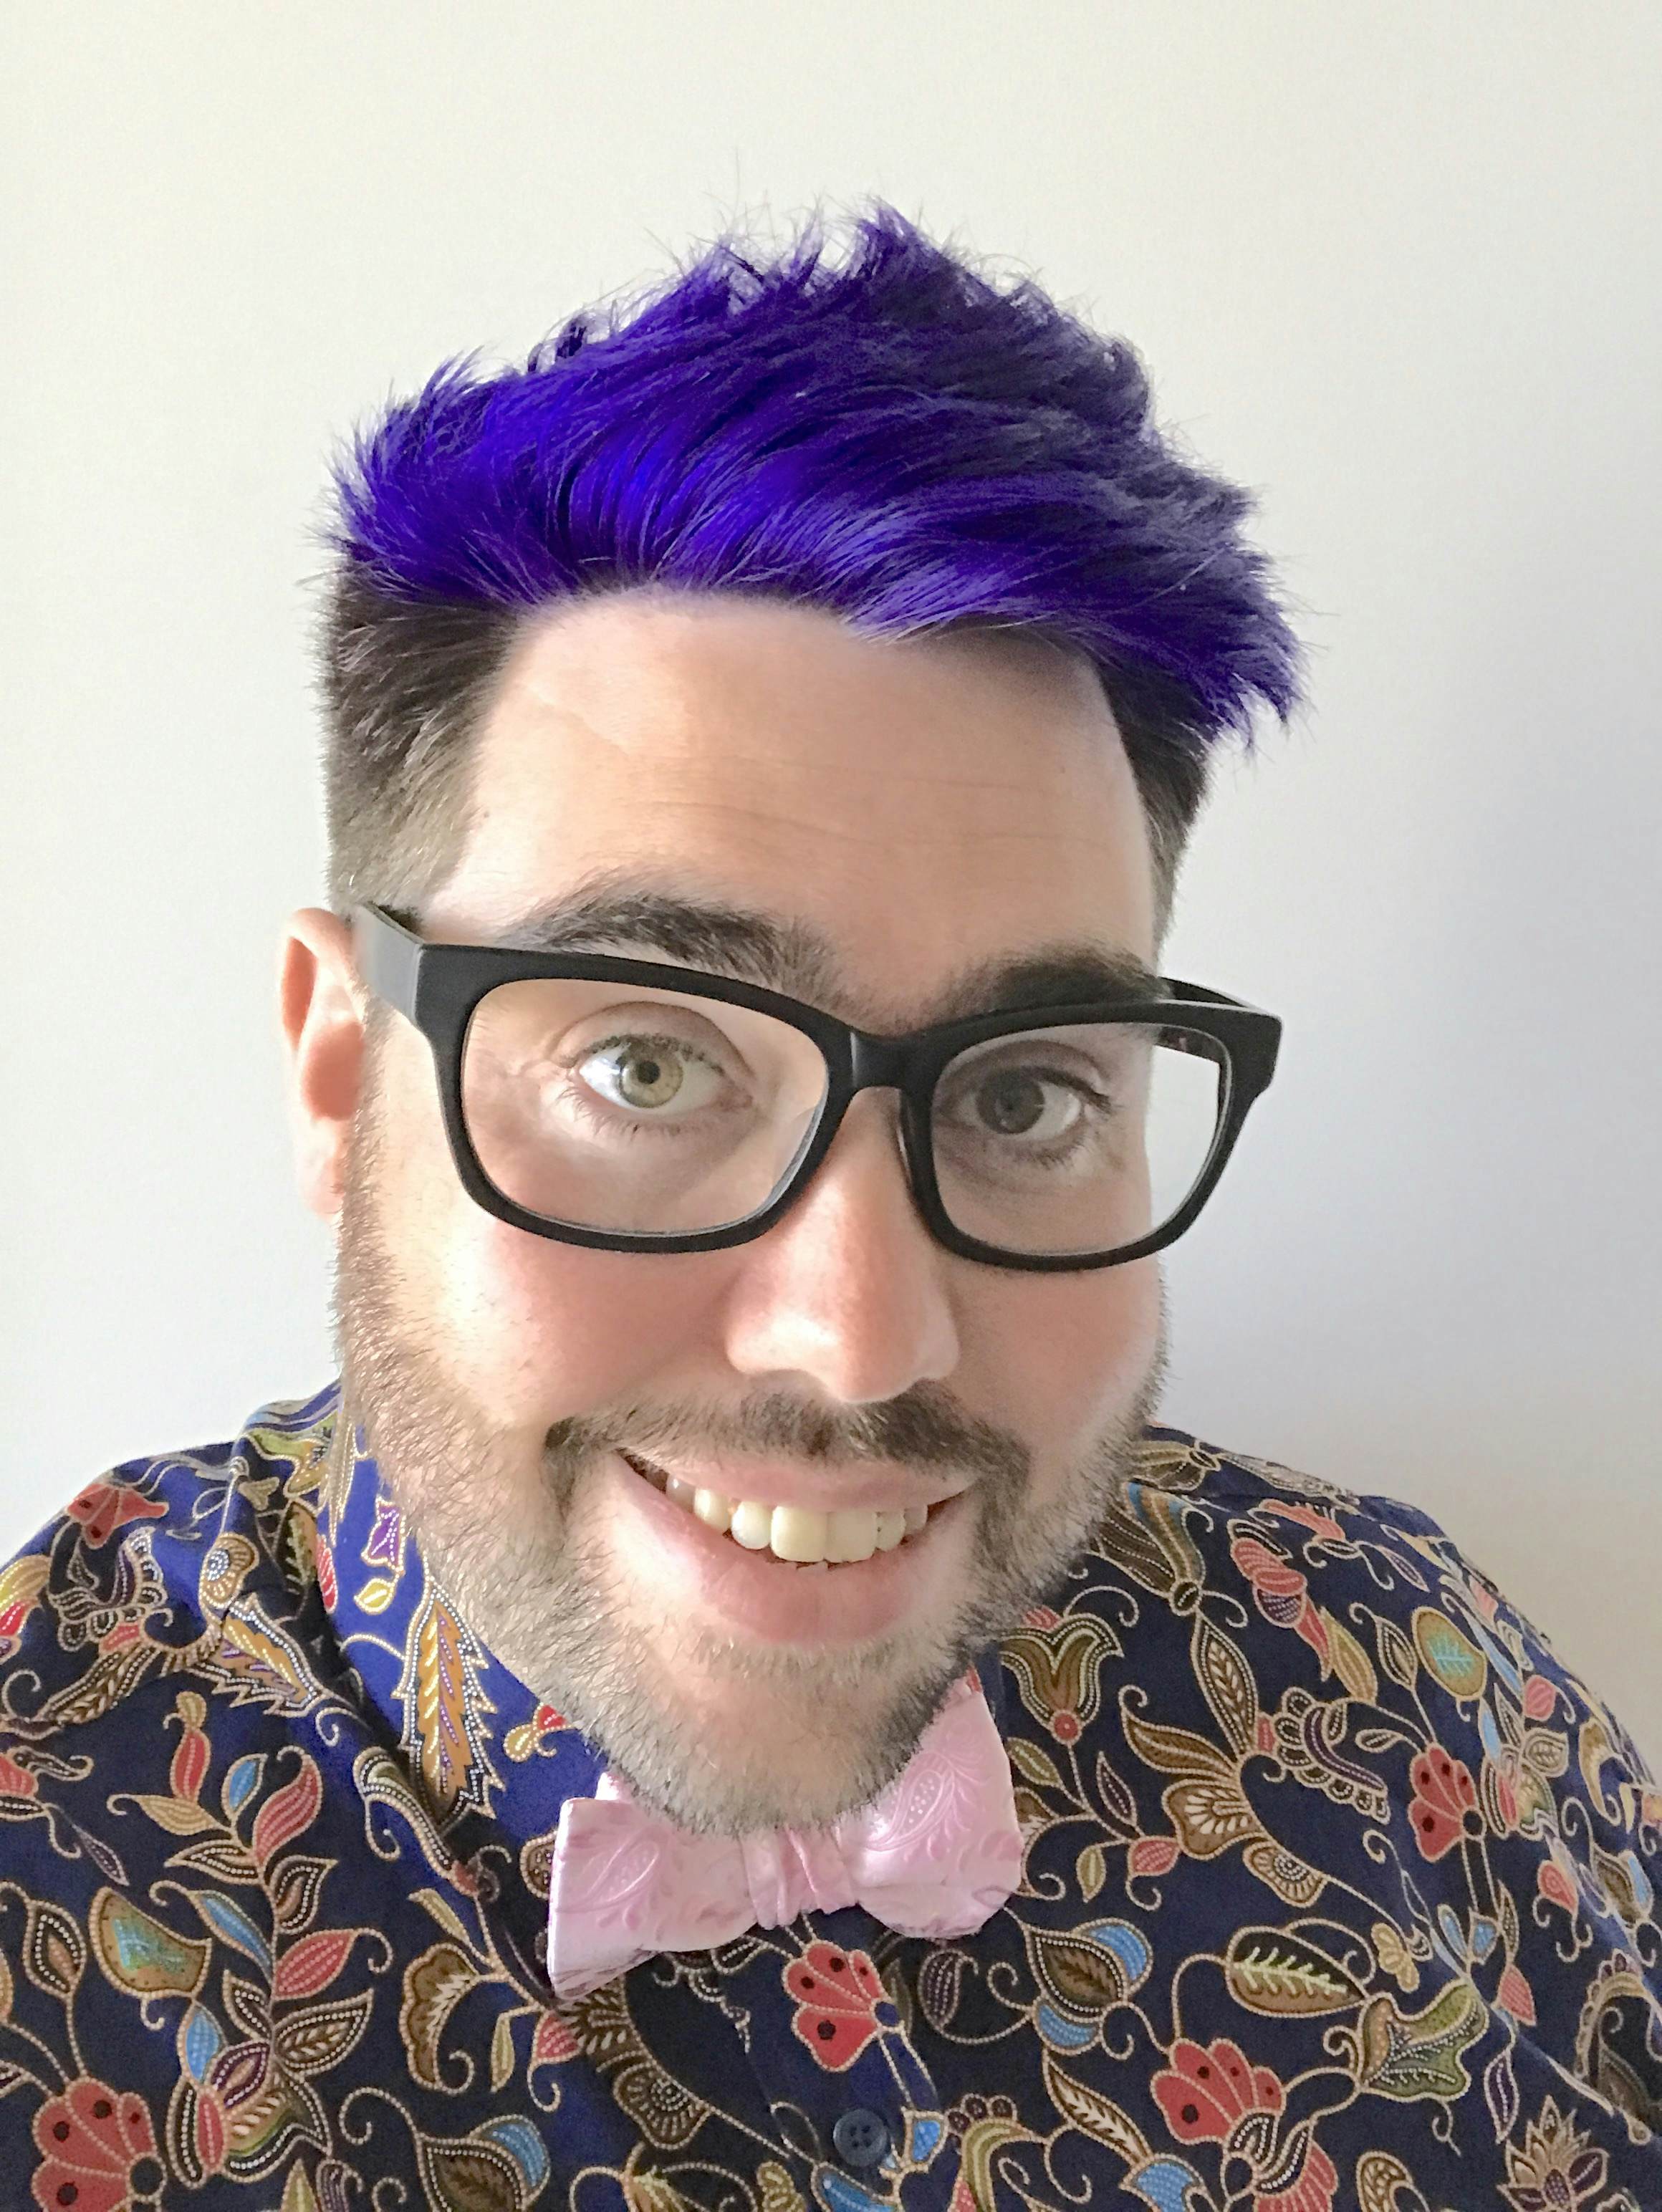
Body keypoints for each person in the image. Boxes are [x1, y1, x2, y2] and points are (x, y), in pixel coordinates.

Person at [3, 208, 1656, 2212]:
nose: (864, 1337)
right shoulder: (57, 1910)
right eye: (648, 1065)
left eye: (1032, 1094)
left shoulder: (1411, 1691)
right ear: (343, 1066)